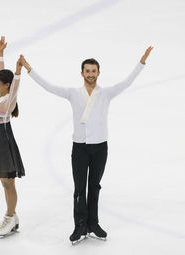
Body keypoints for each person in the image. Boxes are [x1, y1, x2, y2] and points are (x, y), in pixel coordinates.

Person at [19, 46, 153, 243]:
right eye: (87, 71)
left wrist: (141, 62)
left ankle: (94, 223)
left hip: (100, 147)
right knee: (80, 188)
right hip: (80, 147)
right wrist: (29, 69)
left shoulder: (106, 93)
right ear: (82, 73)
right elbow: (49, 87)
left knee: (95, 186)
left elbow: (127, 82)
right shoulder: (73, 93)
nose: (91, 74)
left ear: (99, 73)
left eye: (94, 71)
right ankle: (79, 225)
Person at [0, 36, 25, 238]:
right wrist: (0, 53)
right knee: (4, 182)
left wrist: (18, 73)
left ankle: (10, 217)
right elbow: (2, 74)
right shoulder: (2, 95)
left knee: (8, 182)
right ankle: (12, 216)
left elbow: (15, 88)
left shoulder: (9, 100)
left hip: (4, 142)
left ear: (6, 85)